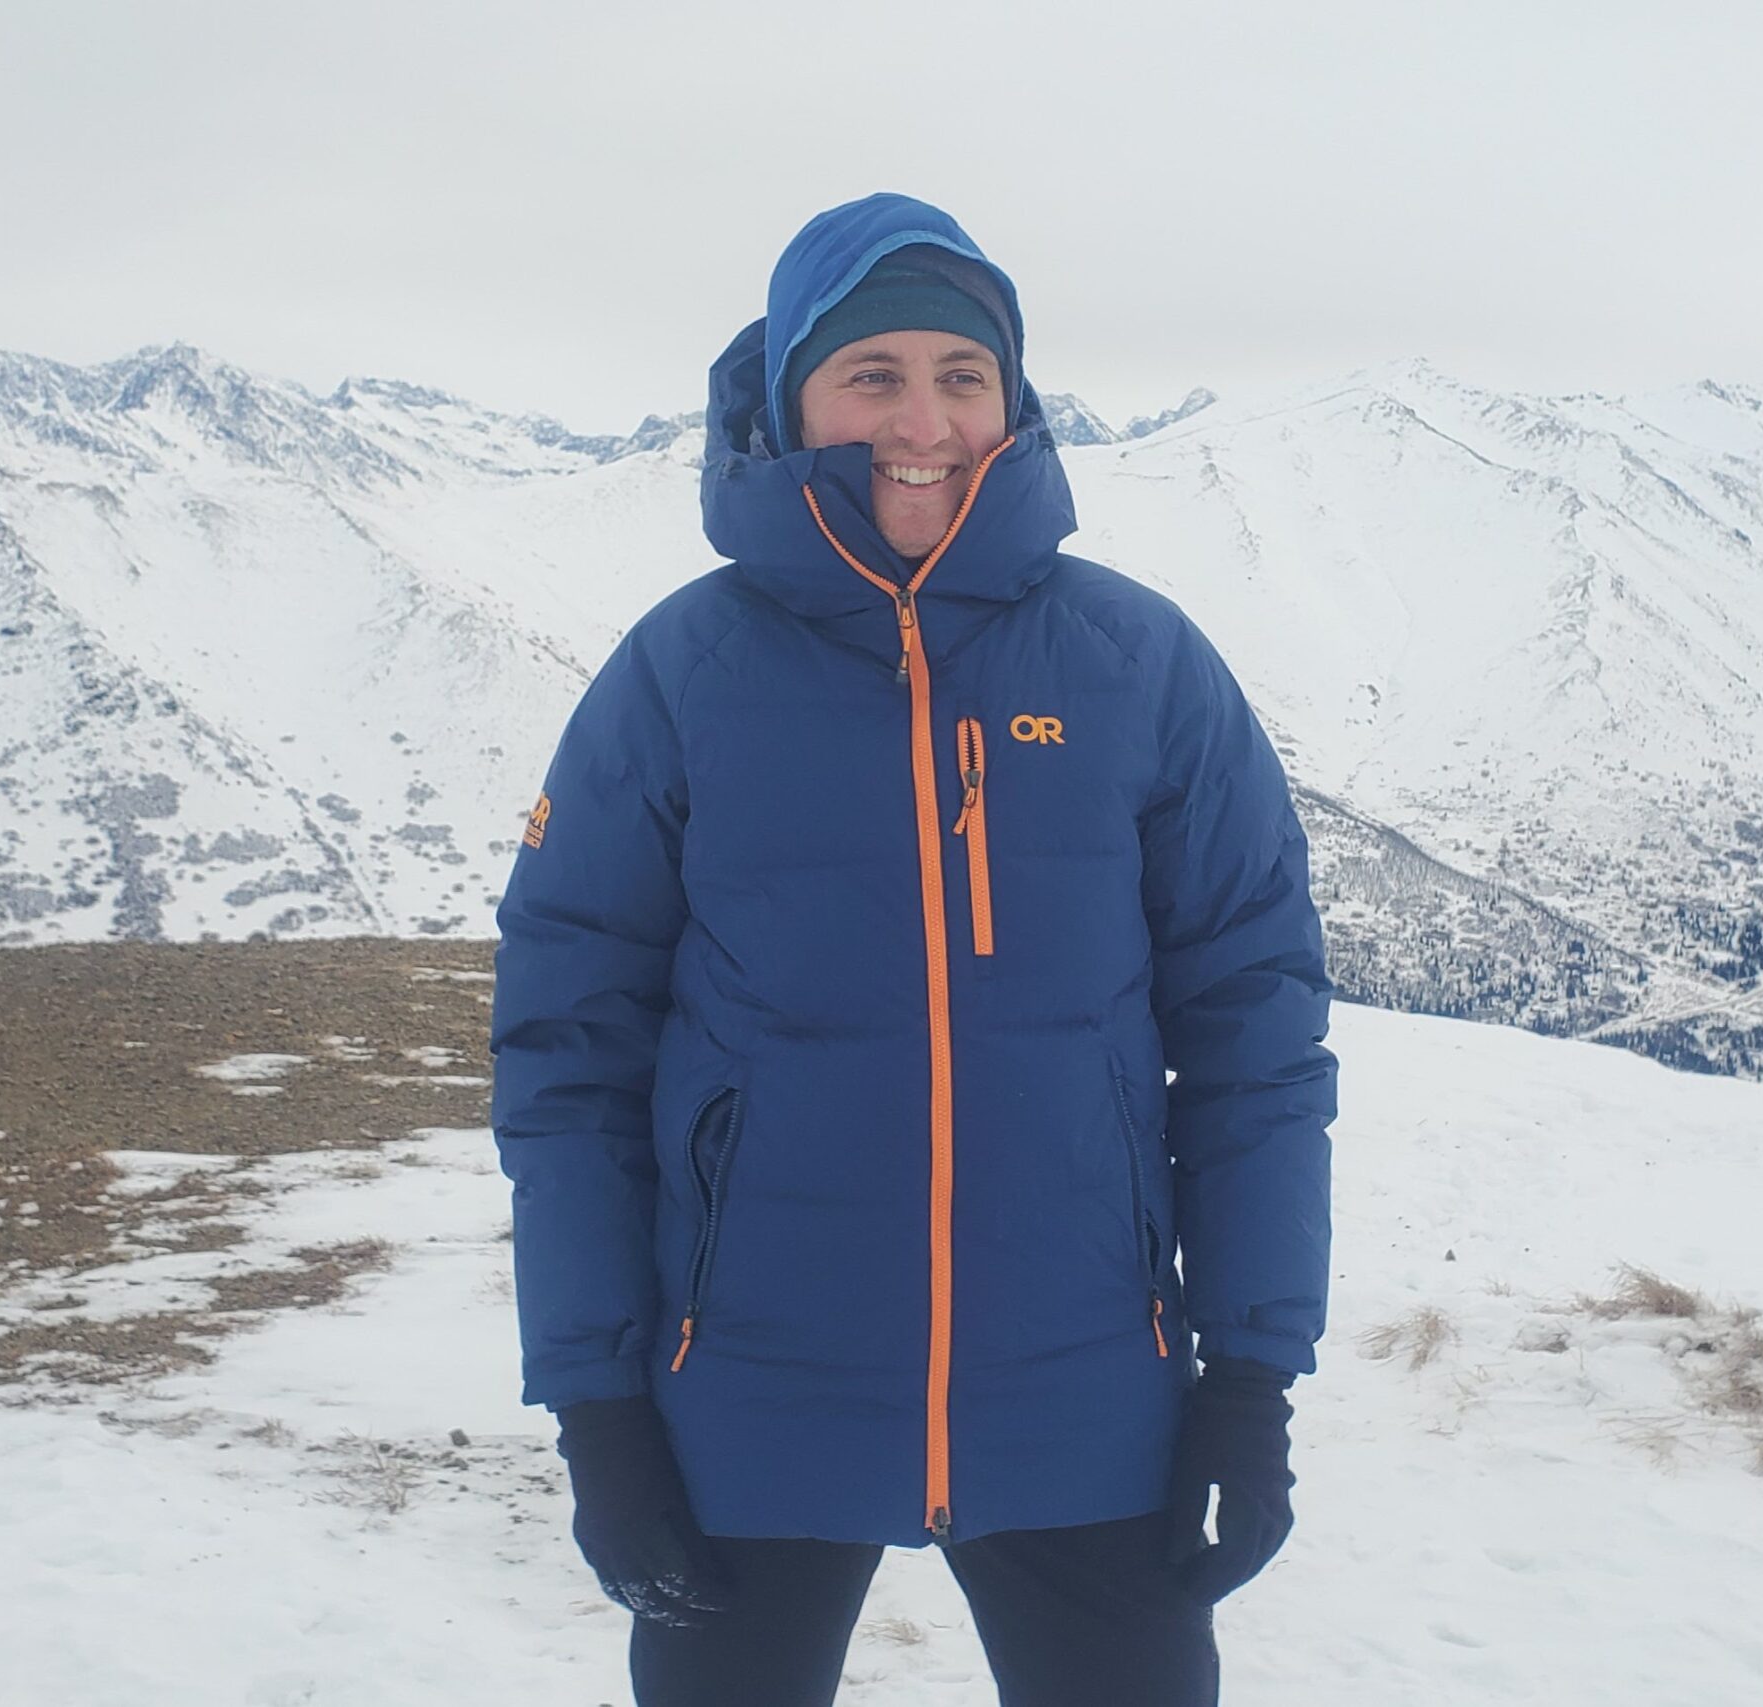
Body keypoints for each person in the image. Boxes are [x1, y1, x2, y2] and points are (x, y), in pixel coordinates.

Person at [491, 192, 1335, 1707]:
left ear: (1012, 400)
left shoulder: (1143, 668)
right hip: (746, 1398)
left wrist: (1252, 1380)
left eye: (964, 373)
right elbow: (567, 1055)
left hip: (1088, 1396)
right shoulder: (679, 676)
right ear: (790, 401)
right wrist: (598, 1407)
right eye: (870, 372)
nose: (923, 419)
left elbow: (1255, 1036)